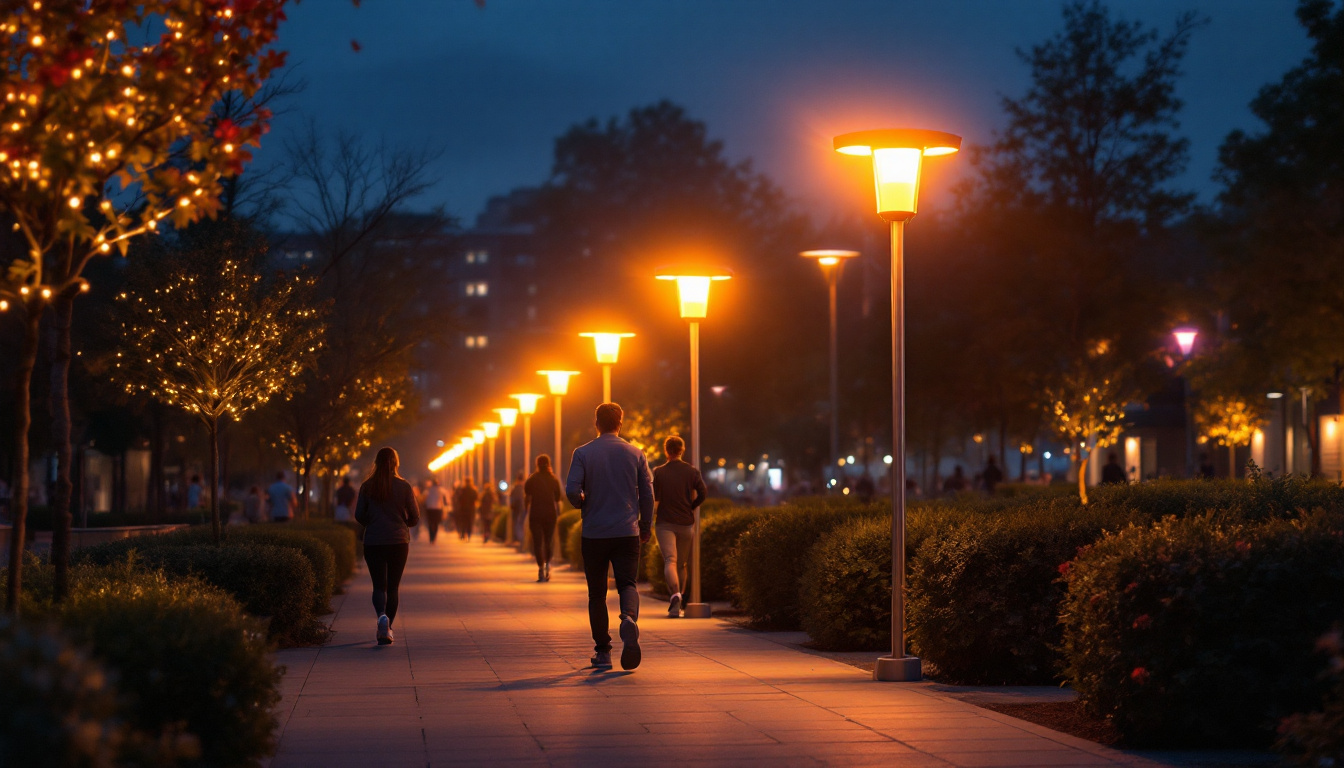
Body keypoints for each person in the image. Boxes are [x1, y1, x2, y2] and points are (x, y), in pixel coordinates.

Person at [566, 403, 654, 671]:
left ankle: (603, 651)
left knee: (597, 594)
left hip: (594, 533)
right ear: (620, 423)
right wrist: (646, 524)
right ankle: (628, 618)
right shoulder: (635, 453)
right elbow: (648, 493)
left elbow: (571, 489)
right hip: (627, 531)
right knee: (628, 583)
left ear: (596, 423)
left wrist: (581, 502)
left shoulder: (582, 453)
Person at [354, 447, 420, 645]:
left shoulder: (367, 486)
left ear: (376, 462)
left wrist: (372, 523)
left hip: (374, 541)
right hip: (398, 541)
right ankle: (387, 627)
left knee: (378, 586)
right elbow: (415, 516)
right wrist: (403, 525)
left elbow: (359, 514)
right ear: (395, 463)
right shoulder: (404, 486)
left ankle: (381, 615)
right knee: (393, 587)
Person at [651, 436, 706, 618]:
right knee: (682, 564)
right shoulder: (691, 471)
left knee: (670, 560)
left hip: (665, 523)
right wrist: (692, 506)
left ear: (666, 451)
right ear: (681, 450)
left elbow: (655, 500)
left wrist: (648, 520)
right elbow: (703, 492)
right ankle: (679, 601)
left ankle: (674, 596)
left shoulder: (659, 472)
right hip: (686, 523)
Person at [523, 455, 564, 582]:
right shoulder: (553, 479)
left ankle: (540, 568)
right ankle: (547, 565)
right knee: (548, 540)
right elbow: (558, 498)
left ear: (537, 464)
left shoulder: (532, 479)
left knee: (537, 542)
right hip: (550, 514)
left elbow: (527, 494)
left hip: (535, 514)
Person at [422, 478, 449, 544]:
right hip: (438, 509)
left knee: (430, 523)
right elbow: (447, 501)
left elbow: (424, 499)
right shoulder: (441, 490)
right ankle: (434, 537)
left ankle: (431, 537)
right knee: (436, 523)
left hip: (429, 509)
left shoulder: (428, 490)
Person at [509, 472, 526, 545]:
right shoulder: (521, 489)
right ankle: (520, 541)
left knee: (517, 526)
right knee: (519, 526)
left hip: (517, 511)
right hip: (520, 510)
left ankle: (518, 540)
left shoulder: (516, 489)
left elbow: (513, 500)